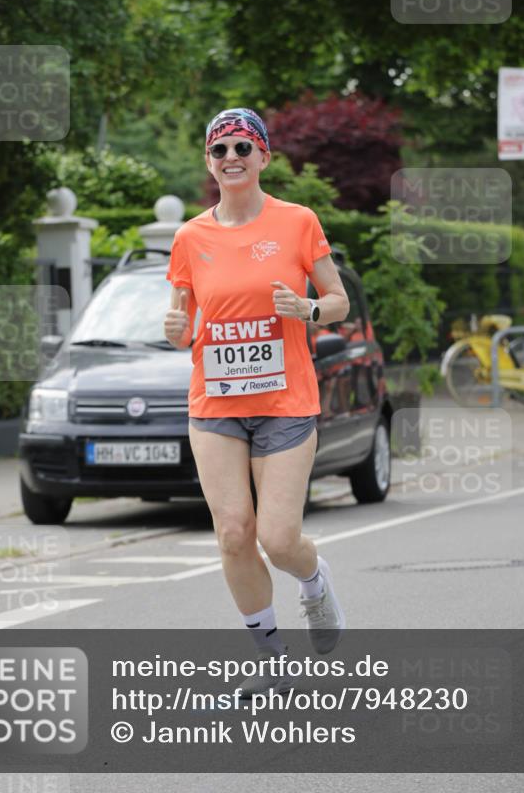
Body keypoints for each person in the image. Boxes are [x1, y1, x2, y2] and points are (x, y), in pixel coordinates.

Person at [163, 107, 350, 697]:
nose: (232, 158)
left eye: (244, 147)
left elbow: (338, 298)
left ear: (264, 157)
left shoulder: (297, 222)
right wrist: (173, 329)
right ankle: (271, 660)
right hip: (215, 405)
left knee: (278, 537)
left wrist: (311, 310)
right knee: (233, 534)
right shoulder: (190, 236)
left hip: (286, 402)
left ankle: (314, 583)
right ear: (210, 165)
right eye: (220, 151)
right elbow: (180, 319)